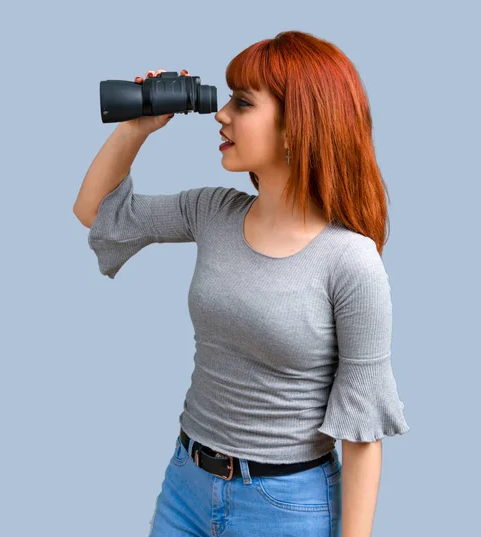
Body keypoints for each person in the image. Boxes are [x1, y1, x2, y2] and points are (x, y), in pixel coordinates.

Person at [74, 30, 410, 537]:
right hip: (186, 486)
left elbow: (361, 434)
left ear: (297, 126)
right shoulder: (213, 211)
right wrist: (136, 128)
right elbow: (97, 214)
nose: (221, 114)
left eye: (243, 103)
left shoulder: (351, 262)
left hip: (287, 506)